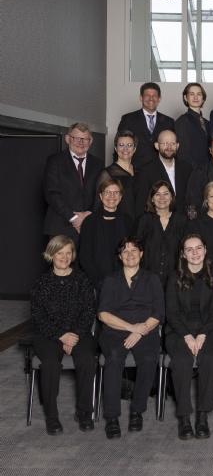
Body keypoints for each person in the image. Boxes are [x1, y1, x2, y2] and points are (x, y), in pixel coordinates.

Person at [30, 236, 98, 435]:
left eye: (69, 253)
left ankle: (84, 411)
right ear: (51, 255)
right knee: (50, 363)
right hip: (48, 335)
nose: (65, 257)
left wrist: (73, 335)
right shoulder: (41, 283)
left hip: (79, 332)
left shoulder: (82, 280)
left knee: (87, 359)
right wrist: (62, 335)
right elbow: (39, 317)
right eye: (60, 253)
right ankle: (52, 416)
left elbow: (88, 312)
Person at [98, 237, 164, 439]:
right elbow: (103, 314)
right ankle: (112, 417)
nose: (130, 254)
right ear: (119, 256)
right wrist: (130, 328)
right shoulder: (111, 280)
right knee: (114, 357)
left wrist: (139, 331)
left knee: (149, 359)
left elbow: (159, 312)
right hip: (115, 331)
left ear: (141, 254)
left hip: (145, 330)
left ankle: (137, 411)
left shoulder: (152, 279)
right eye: (125, 251)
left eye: (134, 250)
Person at [165, 234, 213, 440]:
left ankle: (202, 416)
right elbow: (172, 313)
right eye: (189, 249)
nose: (195, 253)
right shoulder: (174, 278)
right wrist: (187, 336)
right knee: (182, 360)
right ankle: (184, 417)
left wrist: (203, 334)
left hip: (208, 330)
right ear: (183, 254)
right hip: (179, 330)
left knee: (211, 358)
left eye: (199, 248)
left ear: (205, 250)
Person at [43, 122, 102, 247]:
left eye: (85, 139)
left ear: (90, 141)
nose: (81, 142)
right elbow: (51, 193)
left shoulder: (98, 164)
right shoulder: (55, 161)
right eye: (76, 138)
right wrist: (74, 218)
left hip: (89, 226)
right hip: (60, 227)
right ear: (68, 139)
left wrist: (87, 215)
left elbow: (101, 193)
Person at [79, 178, 134, 290]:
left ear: (121, 196)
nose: (111, 196)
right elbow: (85, 257)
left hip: (125, 281)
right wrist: (101, 281)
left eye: (116, 192)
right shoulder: (90, 221)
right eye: (107, 192)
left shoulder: (128, 221)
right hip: (97, 282)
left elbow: (132, 253)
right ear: (100, 196)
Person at [134, 180, 187, 288]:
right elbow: (135, 250)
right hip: (147, 282)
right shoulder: (143, 221)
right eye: (157, 194)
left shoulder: (183, 221)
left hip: (176, 282)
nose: (162, 198)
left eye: (166, 194)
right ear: (152, 199)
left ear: (172, 197)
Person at [134, 130, 193, 218]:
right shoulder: (145, 171)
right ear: (157, 146)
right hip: (156, 222)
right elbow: (140, 204)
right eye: (165, 143)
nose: (169, 147)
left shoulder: (187, 169)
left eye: (172, 143)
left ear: (177, 146)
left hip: (183, 222)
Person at [116, 82, 175, 167]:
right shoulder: (128, 119)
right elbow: (119, 146)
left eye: (154, 96)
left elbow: (173, 149)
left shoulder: (169, 122)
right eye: (147, 96)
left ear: (159, 98)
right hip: (135, 169)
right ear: (141, 98)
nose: (151, 99)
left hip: (161, 169)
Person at [96, 130, 137, 219]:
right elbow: (98, 204)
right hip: (118, 222)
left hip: (140, 222)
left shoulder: (139, 171)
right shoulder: (107, 173)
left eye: (129, 145)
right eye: (121, 145)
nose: (125, 149)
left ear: (134, 149)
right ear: (115, 148)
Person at [174, 82, 210, 169]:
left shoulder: (207, 123)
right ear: (186, 98)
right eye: (191, 94)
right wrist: (198, 172)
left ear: (203, 98)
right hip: (192, 172)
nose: (195, 97)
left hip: (209, 171)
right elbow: (182, 154)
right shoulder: (182, 121)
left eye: (199, 94)